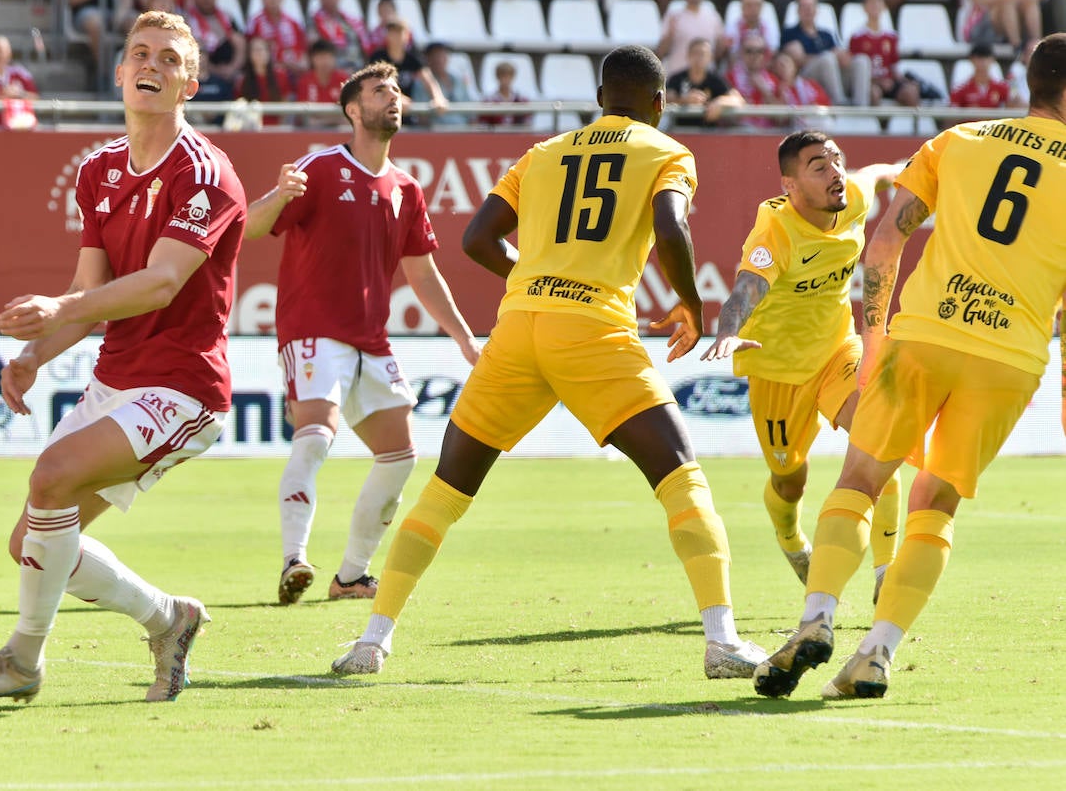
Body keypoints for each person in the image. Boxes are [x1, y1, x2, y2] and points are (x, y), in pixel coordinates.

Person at [329, 44, 769, 679]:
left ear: (599, 100)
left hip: (519, 332)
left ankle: (372, 639)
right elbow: (671, 229)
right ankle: (722, 639)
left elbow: (477, 238)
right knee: (680, 477)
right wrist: (689, 304)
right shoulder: (667, 151)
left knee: (447, 489)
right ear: (659, 103)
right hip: (594, 332)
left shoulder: (543, 154)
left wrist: (537, 276)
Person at [0, 10, 247, 705]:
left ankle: (22, 662)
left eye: (169, 59)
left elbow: (161, 282)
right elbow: (91, 291)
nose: (152, 66)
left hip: (184, 389)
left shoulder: (207, 173)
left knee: (49, 479)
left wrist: (58, 311)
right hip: (117, 382)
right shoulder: (101, 169)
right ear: (119, 73)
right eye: (141, 53)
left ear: (189, 84)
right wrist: (37, 356)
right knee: (33, 542)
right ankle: (169, 619)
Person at [753, 33, 1066, 701]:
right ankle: (878, 652)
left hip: (924, 336)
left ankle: (815, 620)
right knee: (936, 503)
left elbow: (886, 240)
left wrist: (874, 337)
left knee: (861, 479)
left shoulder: (960, 141)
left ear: (1031, 82)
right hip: (1011, 360)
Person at [243, 60, 481, 607]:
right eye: (379, 91)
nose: (393, 98)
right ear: (353, 110)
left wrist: (464, 338)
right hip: (313, 329)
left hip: (371, 340)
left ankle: (350, 575)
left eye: (397, 90)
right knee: (317, 435)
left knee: (400, 455)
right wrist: (278, 195)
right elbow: (251, 227)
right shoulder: (322, 167)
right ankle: (293, 558)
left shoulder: (407, 188)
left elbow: (422, 274)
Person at [702, 131, 901, 595]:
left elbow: (877, 174)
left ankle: (886, 572)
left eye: (836, 158)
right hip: (777, 372)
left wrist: (911, 165)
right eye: (819, 165)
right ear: (790, 185)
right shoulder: (775, 231)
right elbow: (744, 291)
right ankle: (791, 539)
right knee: (790, 481)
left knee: (880, 437)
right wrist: (729, 331)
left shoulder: (850, 195)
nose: (835, 170)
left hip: (836, 352)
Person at [666, 37, 745, 129]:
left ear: (710, 58)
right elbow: (666, 99)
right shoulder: (677, 78)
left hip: (709, 134)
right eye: (695, 53)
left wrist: (719, 102)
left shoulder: (715, 80)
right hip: (679, 131)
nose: (698, 58)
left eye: (703, 54)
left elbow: (738, 99)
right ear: (688, 55)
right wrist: (684, 100)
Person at [657, 0, 726, 77]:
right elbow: (661, 52)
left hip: (706, 77)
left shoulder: (713, 16)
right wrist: (670, 35)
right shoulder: (673, 16)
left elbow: (719, 52)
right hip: (677, 76)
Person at [246, 0, 307, 77]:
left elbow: (304, 53)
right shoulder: (255, 23)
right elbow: (250, 54)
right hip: (268, 74)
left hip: (294, 73)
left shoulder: (293, 23)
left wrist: (300, 66)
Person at [310, 0, 369, 72]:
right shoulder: (314, 22)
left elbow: (362, 46)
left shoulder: (350, 21)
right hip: (332, 73)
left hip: (356, 69)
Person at [412, 40, 473, 127]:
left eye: (442, 54)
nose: (439, 59)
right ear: (427, 59)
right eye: (435, 55)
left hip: (463, 132)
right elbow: (421, 117)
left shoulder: (458, 79)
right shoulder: (421, 83)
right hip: (435, 134)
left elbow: (470, 112)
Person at [235, 35, 292, 127]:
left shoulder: (281, 75)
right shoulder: (242, 81)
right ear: (249, 55)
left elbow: (286, 105)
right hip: (252, 129)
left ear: (268, 53)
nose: (259, 53)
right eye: (255, 50)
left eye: (262, 49)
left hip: (277, 128)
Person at [949, 41, 1024, 109]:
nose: (983, 62)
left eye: (986, 58)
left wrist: (1014, 101)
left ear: (992, 60)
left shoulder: (1001, 87)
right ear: (971, 60)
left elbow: (1018, 103)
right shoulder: (961, 89)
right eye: (979, 58)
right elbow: (951, 117)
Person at [295, 38, 347, 130]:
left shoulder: (343, 80)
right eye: (321, 57)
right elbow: (304, 117)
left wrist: (321, 121)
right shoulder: (305, 81)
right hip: (311, 133)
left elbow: (348, 116)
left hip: (338, 132)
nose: (325, 62)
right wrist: (333, 119)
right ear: (312, 59)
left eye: (328, 57)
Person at [480, 59, 531, 127]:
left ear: (513, 77)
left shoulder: (521, 100)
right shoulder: (489, 100)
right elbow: (484, 124)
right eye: (503, 76)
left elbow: (527, 122)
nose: (506, 80)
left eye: (509, 76)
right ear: (497, 77)